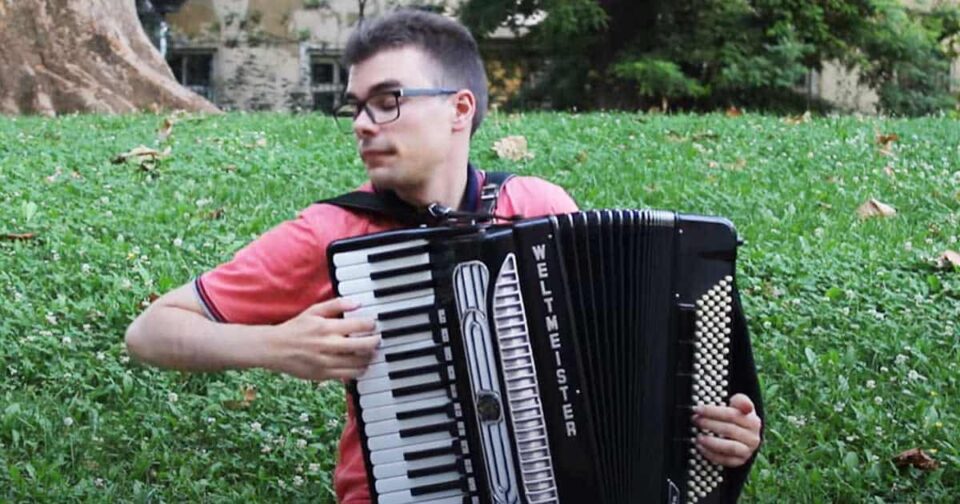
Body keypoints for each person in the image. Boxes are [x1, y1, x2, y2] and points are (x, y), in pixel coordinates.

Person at [124, 9, 762, 503]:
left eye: (389, 100)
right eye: (356, 106)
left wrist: (713, 437)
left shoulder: (537, 206)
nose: (363, 123)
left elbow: (618, 366)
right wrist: (277, 347)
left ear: (460, 108)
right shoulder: (333, 230)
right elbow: (152, 332)